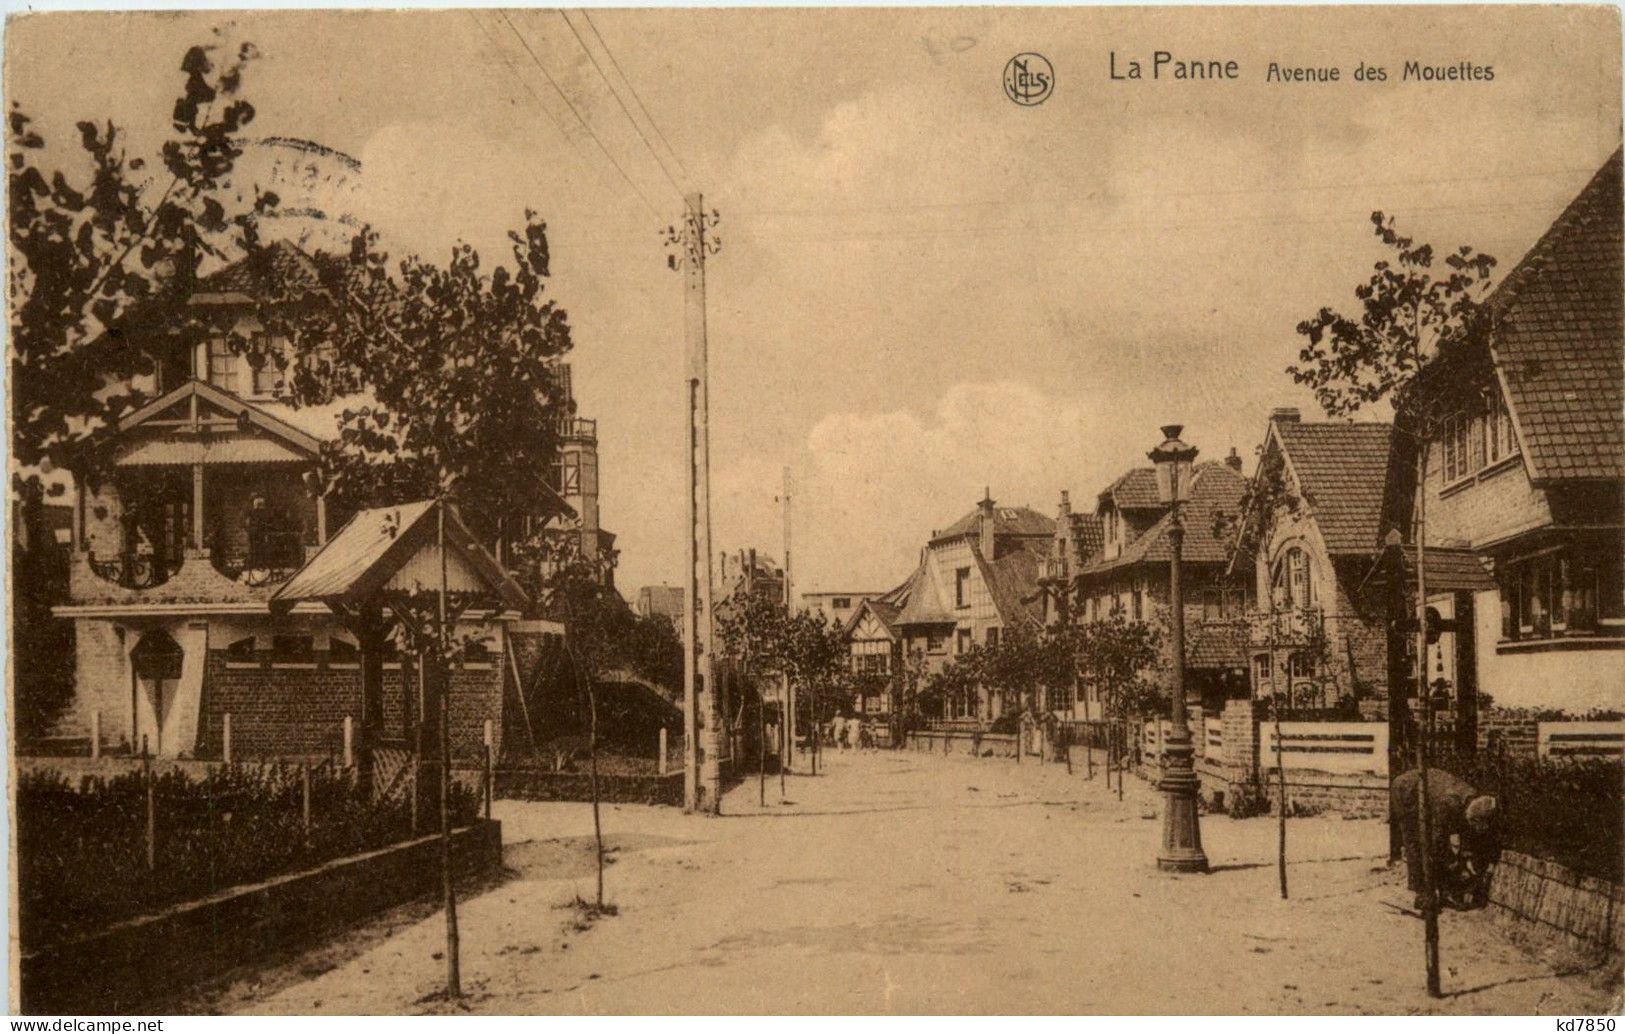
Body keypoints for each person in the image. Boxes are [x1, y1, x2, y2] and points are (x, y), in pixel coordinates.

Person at [1390, 767, 1499, 910]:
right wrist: (1454, 865)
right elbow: (1438, 841)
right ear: (1471, 819)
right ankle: (1422, 894)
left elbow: (1465, 834)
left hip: (1430, 788)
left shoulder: (1473, 799)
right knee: (1415, 840)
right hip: (1406, 789)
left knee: (1439, 849)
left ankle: (1443, 891)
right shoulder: (1450, 803)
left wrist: (1465, 859)